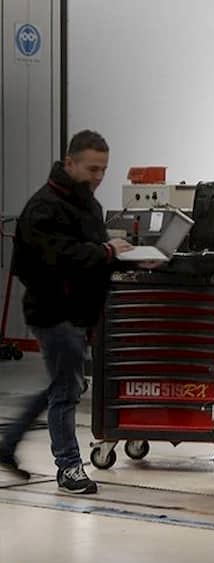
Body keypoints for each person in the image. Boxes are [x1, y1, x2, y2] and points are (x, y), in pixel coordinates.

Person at [0, 130, 136, 493]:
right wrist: (106, 252)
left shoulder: (86, 203)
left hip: (78, 312)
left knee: (64, 384)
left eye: (103, 169)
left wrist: (129, 259)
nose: (99, 177)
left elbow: (93, 253)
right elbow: (58, 259)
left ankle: (8, 444)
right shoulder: (43, 208)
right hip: (54, 312)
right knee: (66, 389)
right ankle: (69, 467)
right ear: (69, 163)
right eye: (92, 169)